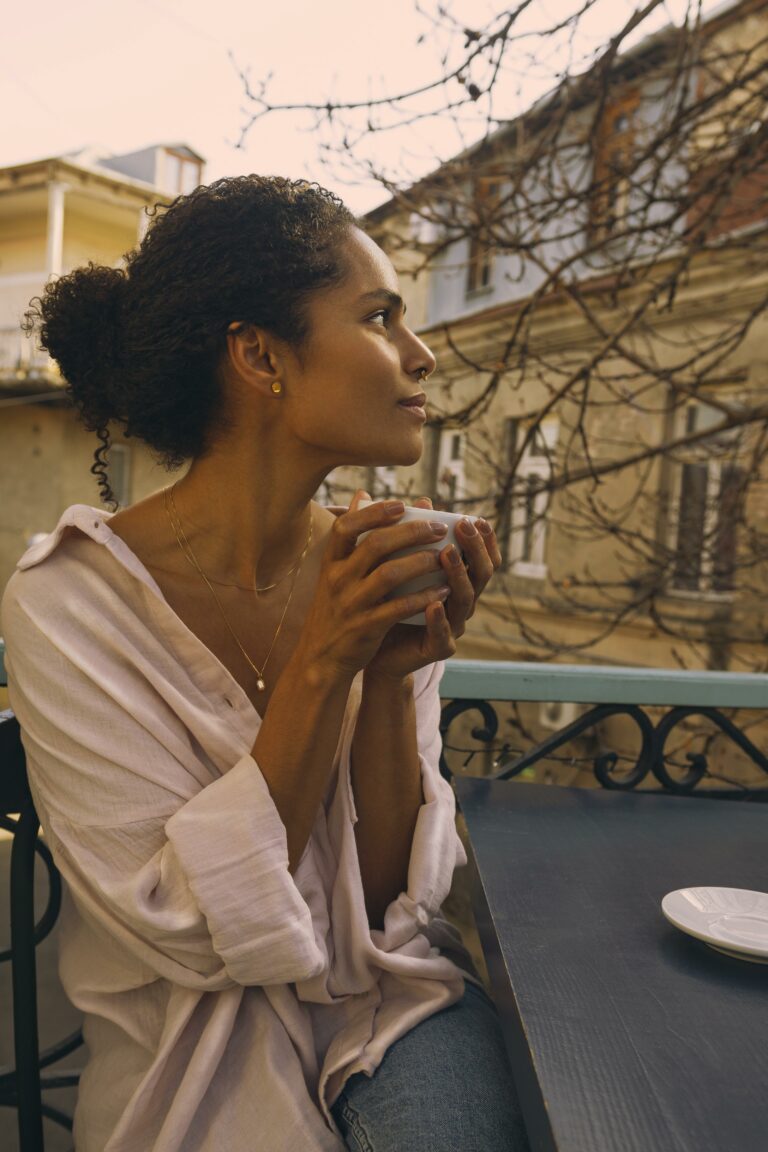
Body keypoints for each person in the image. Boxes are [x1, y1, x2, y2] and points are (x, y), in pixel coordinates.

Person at [1, 176, 529, 1152]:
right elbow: (186, 932)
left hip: (384, 1006)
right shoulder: (70, 601)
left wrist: (380, 679)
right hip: (188, 1056)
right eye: (379, 317)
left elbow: (384, 912)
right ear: (258, 355)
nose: (420, 354)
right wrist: (325, 661)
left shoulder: (379, 560)